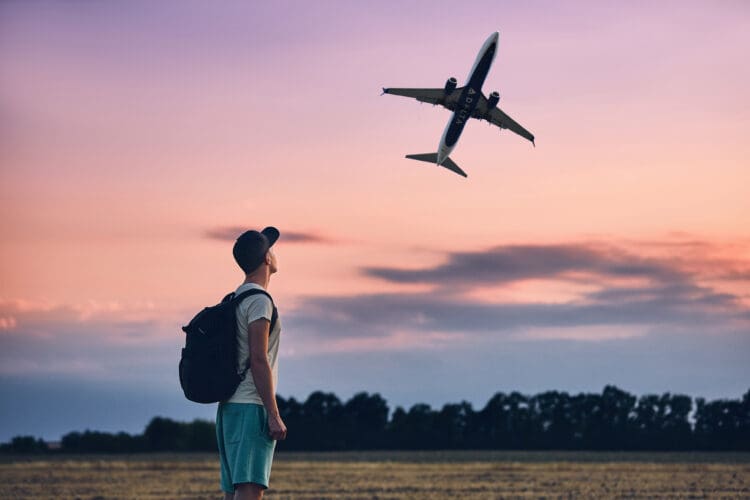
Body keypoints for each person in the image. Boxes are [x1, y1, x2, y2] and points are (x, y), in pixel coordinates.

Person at [216, 226, 287, 500]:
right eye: (271, 247)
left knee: (234, 490)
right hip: (251, 405)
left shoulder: (235, 299)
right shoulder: (259, 300)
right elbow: (258, 359)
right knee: (249, 490)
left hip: (229, 407)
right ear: (267, 259)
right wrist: (273, 413)